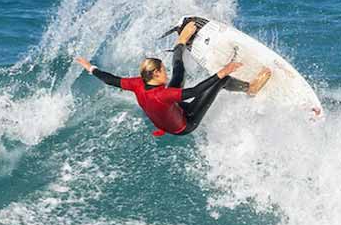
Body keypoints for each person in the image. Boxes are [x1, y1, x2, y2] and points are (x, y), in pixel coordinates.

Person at [74, 20, 271, 137]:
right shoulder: (163, 94)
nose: (165, 73)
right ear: (156, 74)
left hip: (169, 113)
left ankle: (181, 41)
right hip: (185, 124)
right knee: (221, 81)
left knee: (179, 72)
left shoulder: (137, 83)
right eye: (163, 71)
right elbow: (194, 92)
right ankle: (251, 88)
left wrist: (90, 67)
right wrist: (223, 71)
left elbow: (110, 80)